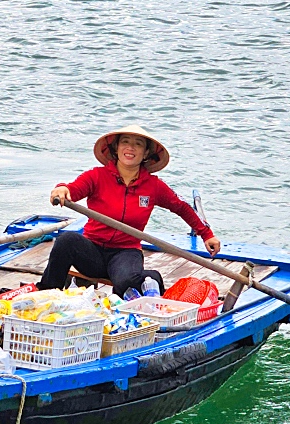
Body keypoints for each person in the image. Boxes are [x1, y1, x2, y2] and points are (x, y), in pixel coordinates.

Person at [39, 126, 220, 297]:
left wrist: (207, 234)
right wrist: (61, 189)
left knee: (126, 281)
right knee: (66, 241)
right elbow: (73, 189)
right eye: (125, 142)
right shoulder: (96, 176)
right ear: (116, 148)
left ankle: (152, 278)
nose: (130, 148)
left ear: (146, 153)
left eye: (138, 144)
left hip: (125, 252)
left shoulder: (153, 185)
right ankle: (45, 293)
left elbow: (182, 207)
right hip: (92, 251)